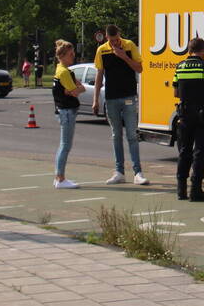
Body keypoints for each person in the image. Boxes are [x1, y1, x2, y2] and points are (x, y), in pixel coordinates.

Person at [93, 24, 149, 185]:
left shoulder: (129, 46)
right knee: (116, 135)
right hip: (111, 98)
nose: (115, 43)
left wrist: (124, 56)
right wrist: (96, 99)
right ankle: (119, 171)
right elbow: (99, 74)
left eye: (117, 39)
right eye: (112, 40)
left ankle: (138, 172)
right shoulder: (102, 50)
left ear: (120, 35)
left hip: (129, 96)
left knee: (132, 135)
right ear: (106, 37)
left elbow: (140, 68)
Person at [172, 37, 204, 201]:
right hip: (203, 115)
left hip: (185, 115)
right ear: (203, 51)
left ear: (189, 50)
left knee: (184, 150)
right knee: (200, 151)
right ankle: (196, 189)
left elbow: (176, 93)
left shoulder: (180, 67)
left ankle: (181, 189)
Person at [52, 40, 85, 189]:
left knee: (64, 145)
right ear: (63, 56)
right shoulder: (65, 72)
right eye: (71, 54)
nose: (73, 57)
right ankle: (60, 178)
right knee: (65, 145)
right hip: (67, 111)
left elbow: (76, 89)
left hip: (64, 110)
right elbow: (77, 91)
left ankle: (58, 176)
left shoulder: (62, 69)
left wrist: (76, 88)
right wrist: (77, 88)